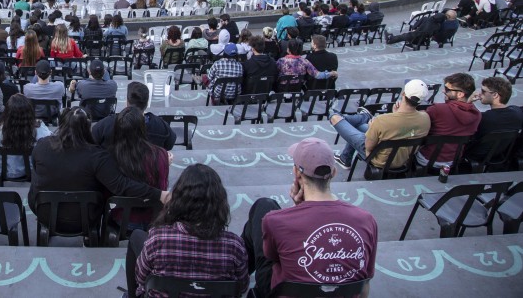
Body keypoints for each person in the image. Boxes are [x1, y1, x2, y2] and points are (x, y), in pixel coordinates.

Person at [241, 138, 377, 297]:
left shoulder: (275, 221)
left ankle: (236, 273)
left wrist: (297, 210)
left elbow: (273, 258)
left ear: (297, 173)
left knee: (263, 205)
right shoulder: (366, 220)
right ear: (334, 172)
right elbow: (365, 283)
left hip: (281, 291)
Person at [29, 108, 169, 237]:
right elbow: (121, 185)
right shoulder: (97, 156)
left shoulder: (42, 146)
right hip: (85, 219)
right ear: (87, 128)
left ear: (62, 125)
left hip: (45, 214)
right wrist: (158, 194)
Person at [127, 164, 249, 298]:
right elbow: (241, 286)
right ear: (219, 202)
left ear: (179, 199)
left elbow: (141, 278)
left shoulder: (157, 239)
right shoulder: (234, 245)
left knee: (137, 236)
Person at [330, 79, 431, 170]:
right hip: (403, 160)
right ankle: (345, 158)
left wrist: (372, 127)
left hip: (379, 159)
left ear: (403, 94)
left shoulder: (382, 120)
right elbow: (402, 129)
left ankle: (365, 116)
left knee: (334, 116)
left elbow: (368, 147)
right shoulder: (426, 118)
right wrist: (395, 114)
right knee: (359, 125)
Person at [108, 107, 170, 230]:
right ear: (142, 128)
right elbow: (163, 187)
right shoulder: (160, 154)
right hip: (154, 218)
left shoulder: (109, 157)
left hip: (122, 219)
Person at [415, 72, 481, 168]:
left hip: (427, 159)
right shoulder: (476, 115)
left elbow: (416, 123)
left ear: (460, 94)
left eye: (447, 89)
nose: (443, 91)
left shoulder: (438, 109)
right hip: (453, 161)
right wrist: (469, 103)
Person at [0, 94, 51, 180]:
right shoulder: (40, 130)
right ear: (30, 112)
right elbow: (49, 143)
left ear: (6, 112)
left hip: (1, 174)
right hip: (31, 173)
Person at [92, 82, 176, 150]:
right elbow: (169, 144)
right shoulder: (161, 126)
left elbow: (93, 140)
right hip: (147, 169)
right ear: (147, 104)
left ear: (127, 102)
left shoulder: (107, 124)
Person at [465, 75, 523, 161]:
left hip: (475, 156)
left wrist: (467, 102)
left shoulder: (484, 118)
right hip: (500, 155)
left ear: (495, 95)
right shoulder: (517, 112)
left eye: (483, 91)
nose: (480, 93)